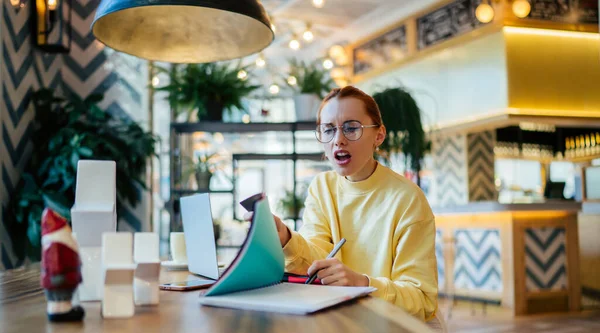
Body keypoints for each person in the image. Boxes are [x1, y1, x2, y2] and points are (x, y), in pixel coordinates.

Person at [246, 86, 439, 327]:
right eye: (328, 130)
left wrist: (362, 283)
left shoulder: (408, 199)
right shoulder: (322, 186)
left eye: (351, 128)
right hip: (341, 320)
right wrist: (285, 238)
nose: (338, 139)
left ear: (378, 136)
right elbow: (315, 260)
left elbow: (422, 300)